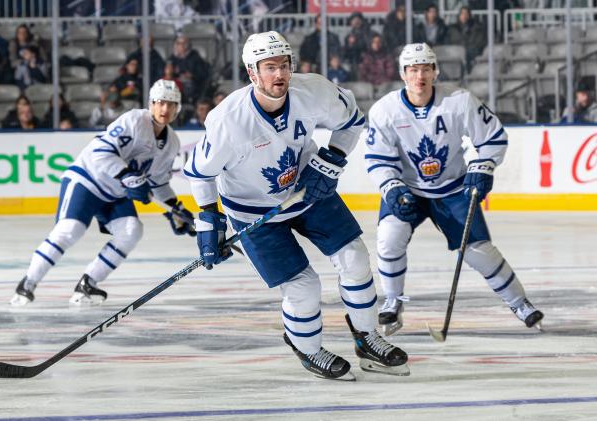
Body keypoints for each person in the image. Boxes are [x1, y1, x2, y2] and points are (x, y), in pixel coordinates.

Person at [183, 31, 409, 381]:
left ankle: (367, 338)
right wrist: (209, 221)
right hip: (253, 213)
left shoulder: (312, 91)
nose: (279, 74)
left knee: (356, 259)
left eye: (284, 65)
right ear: (252, 72)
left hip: (307, 193)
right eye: (269, 67)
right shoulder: (228, 121)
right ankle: (308, 348)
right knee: (303, 288)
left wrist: (331, 159)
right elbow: (199, 172)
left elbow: (353, 121)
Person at [364, 43, 544, 336]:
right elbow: (377, 158)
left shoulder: (459, 101)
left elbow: (492, 138)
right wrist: (392, 188)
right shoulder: (385, 110)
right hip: (408, 189)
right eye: (413, 70)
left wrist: (482, 167)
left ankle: (520, 303)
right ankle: (392, 301)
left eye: (425, 69)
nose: (419, 76)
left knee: (478, 253)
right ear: (403, 74)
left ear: (435, 71)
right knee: (388, 237)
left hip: (453, 188)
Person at [11, 79, 196, 306]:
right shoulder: (134, 121)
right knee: (70, 230)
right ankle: (27, 284)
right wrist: (128, 176)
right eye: (160, 103)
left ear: (177, 108)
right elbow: (101, 151)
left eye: (171, 104)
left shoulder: (172, 143)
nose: (164, 109)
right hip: (88, 180)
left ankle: (88, 283)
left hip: (116, 192)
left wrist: (175, 210)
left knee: (131, 230)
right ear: (151, 103)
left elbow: (158, 182)